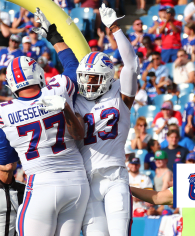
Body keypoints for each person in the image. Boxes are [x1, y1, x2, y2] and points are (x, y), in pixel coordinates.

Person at [0, 8, 90, 236]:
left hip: (42, 183)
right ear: (38, 73)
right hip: (77, 182)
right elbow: (75, 67)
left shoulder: (3, 111)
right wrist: (54, 37)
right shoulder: (59, 88)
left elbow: (4, 160)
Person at [73, 5, 138, 235]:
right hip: (86, 181)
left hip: (114, 177)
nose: (87, 83)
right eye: (84, 78)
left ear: (108, 78)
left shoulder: (120, 94)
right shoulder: (76, 98)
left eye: (93, 78)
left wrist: (114, 28)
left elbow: (131, 64)